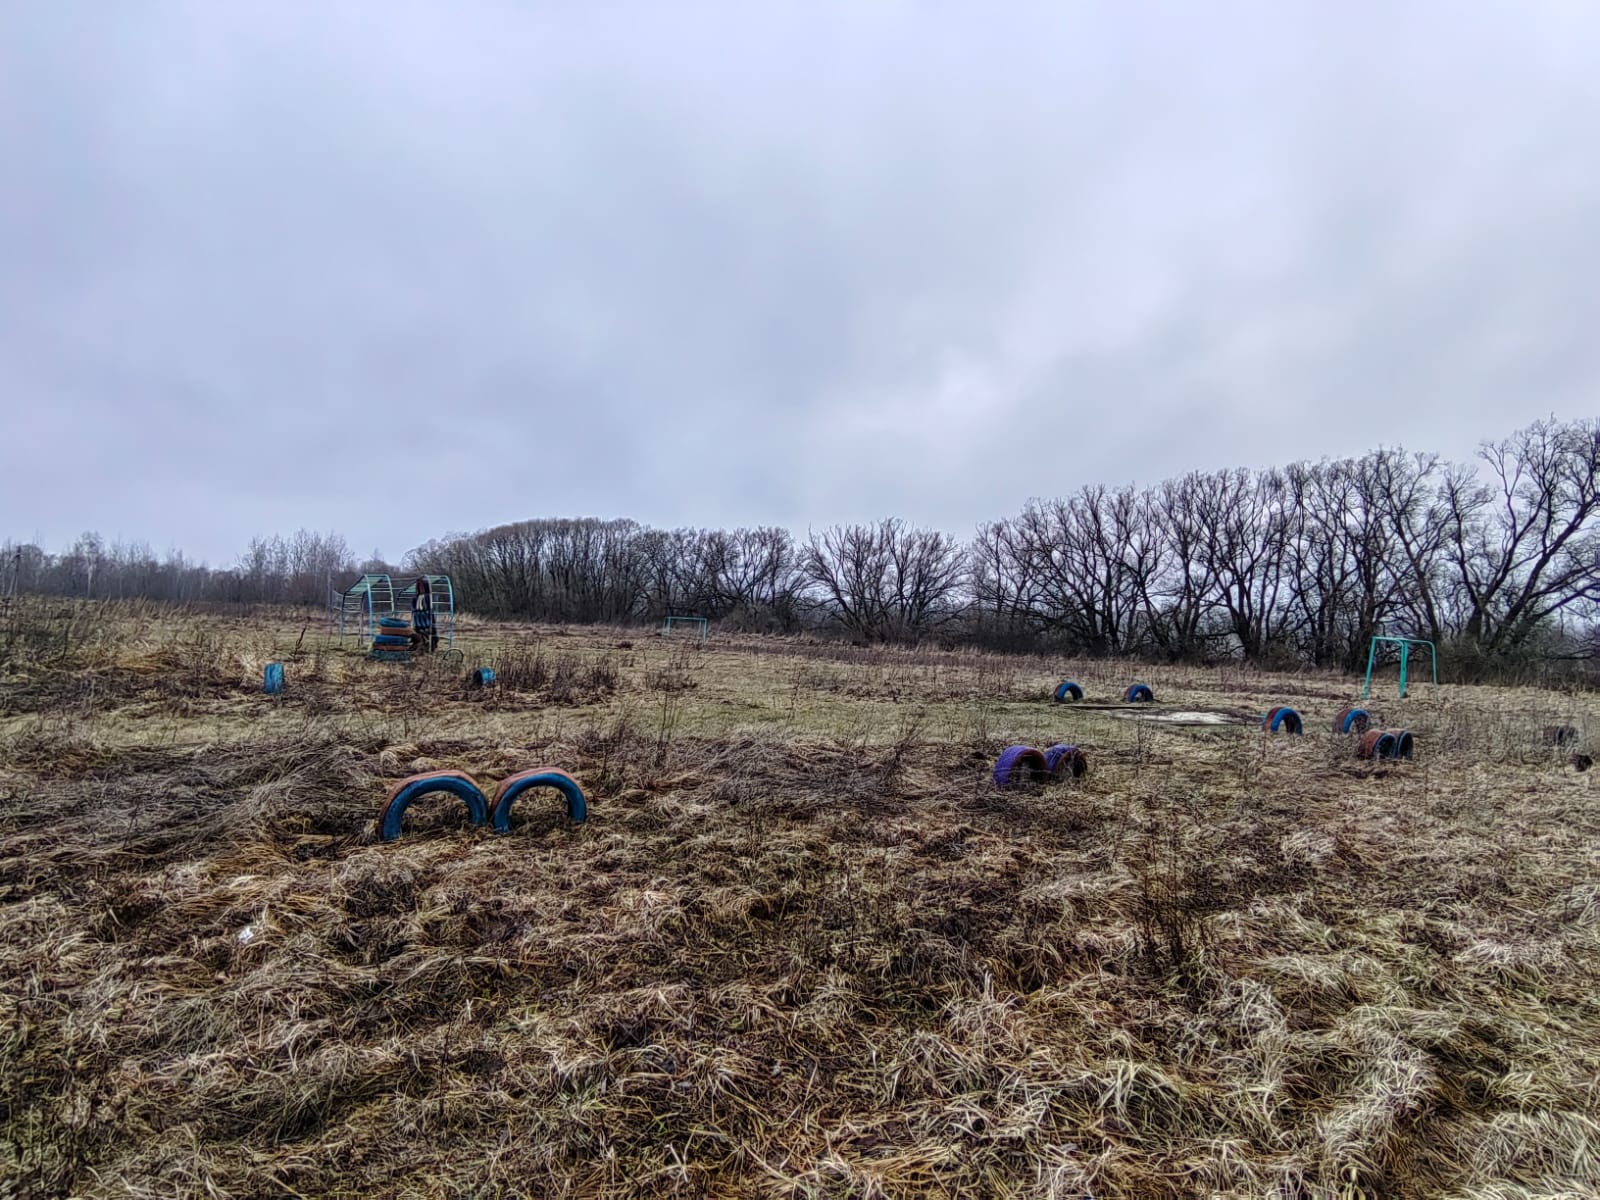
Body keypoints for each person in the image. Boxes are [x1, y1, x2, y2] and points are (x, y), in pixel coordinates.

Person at [411, 576, 437, 652]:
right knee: (417, 633)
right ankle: (419, 645)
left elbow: (430, 607)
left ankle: (429, 646)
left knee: (429, 632)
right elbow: (413, 608)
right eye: (419, 587)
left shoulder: (428, 597)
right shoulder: (415, 598)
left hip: (427, 619)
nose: (420, 589)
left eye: (422, 587)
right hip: (418, 619)